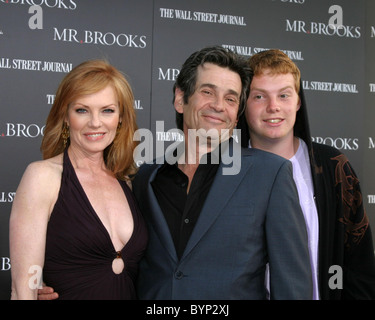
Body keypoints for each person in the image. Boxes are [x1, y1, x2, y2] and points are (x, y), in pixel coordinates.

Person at [132, 46, 312, 299]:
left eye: (230, 99)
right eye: (208, 92)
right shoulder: (146, 178)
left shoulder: (270, 175)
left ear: (237, 114)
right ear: (180, 98)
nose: (218, 106)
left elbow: (292, 285)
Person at [237, 49, 375, 299]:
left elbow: (359, 263)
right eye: (259, 96)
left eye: (284, 95)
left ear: (298, 102)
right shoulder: (223, 171)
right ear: (243, 102)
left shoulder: (334, 168)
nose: (273, 107)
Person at [9, 60, 148, 300]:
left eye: (107, 110)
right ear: (65, 116)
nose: (95, 122)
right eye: (82, 110)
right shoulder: (42, 177)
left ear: (121, 117)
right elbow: (24, 288)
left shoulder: (126, 182)